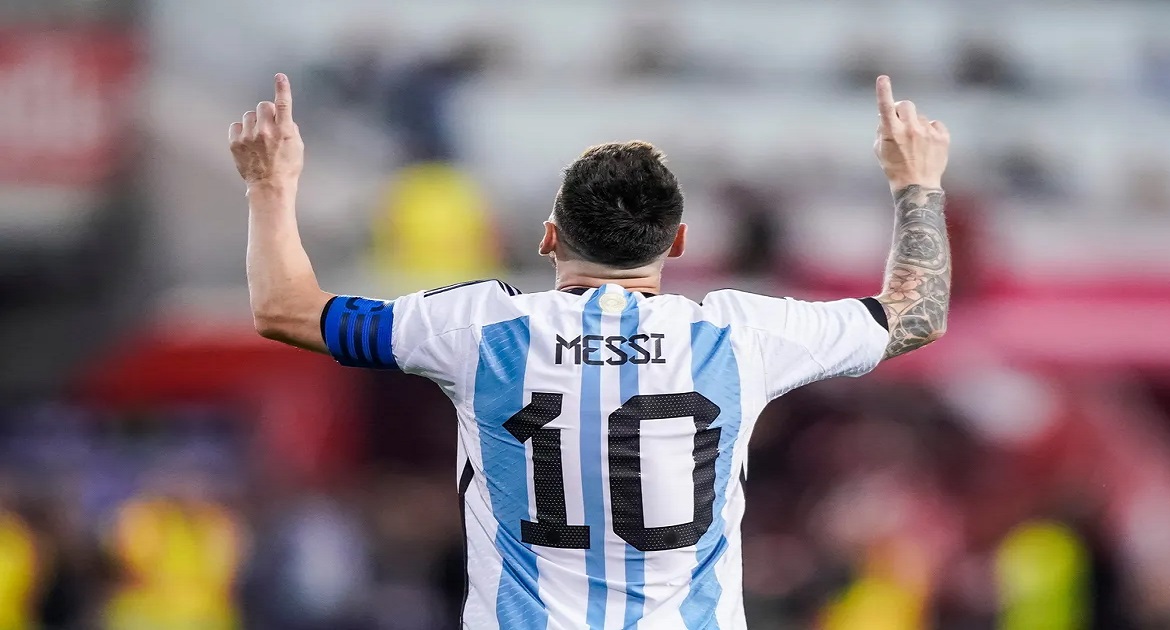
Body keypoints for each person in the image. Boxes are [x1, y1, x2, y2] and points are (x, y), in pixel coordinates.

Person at [228, 73, 951, 629]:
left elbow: (286, 309)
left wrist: (269, 186)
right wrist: (916, 183)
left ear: (549, 238)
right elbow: (916, 315)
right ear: (677, 243)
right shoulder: (742, 336)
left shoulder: (478, 329)